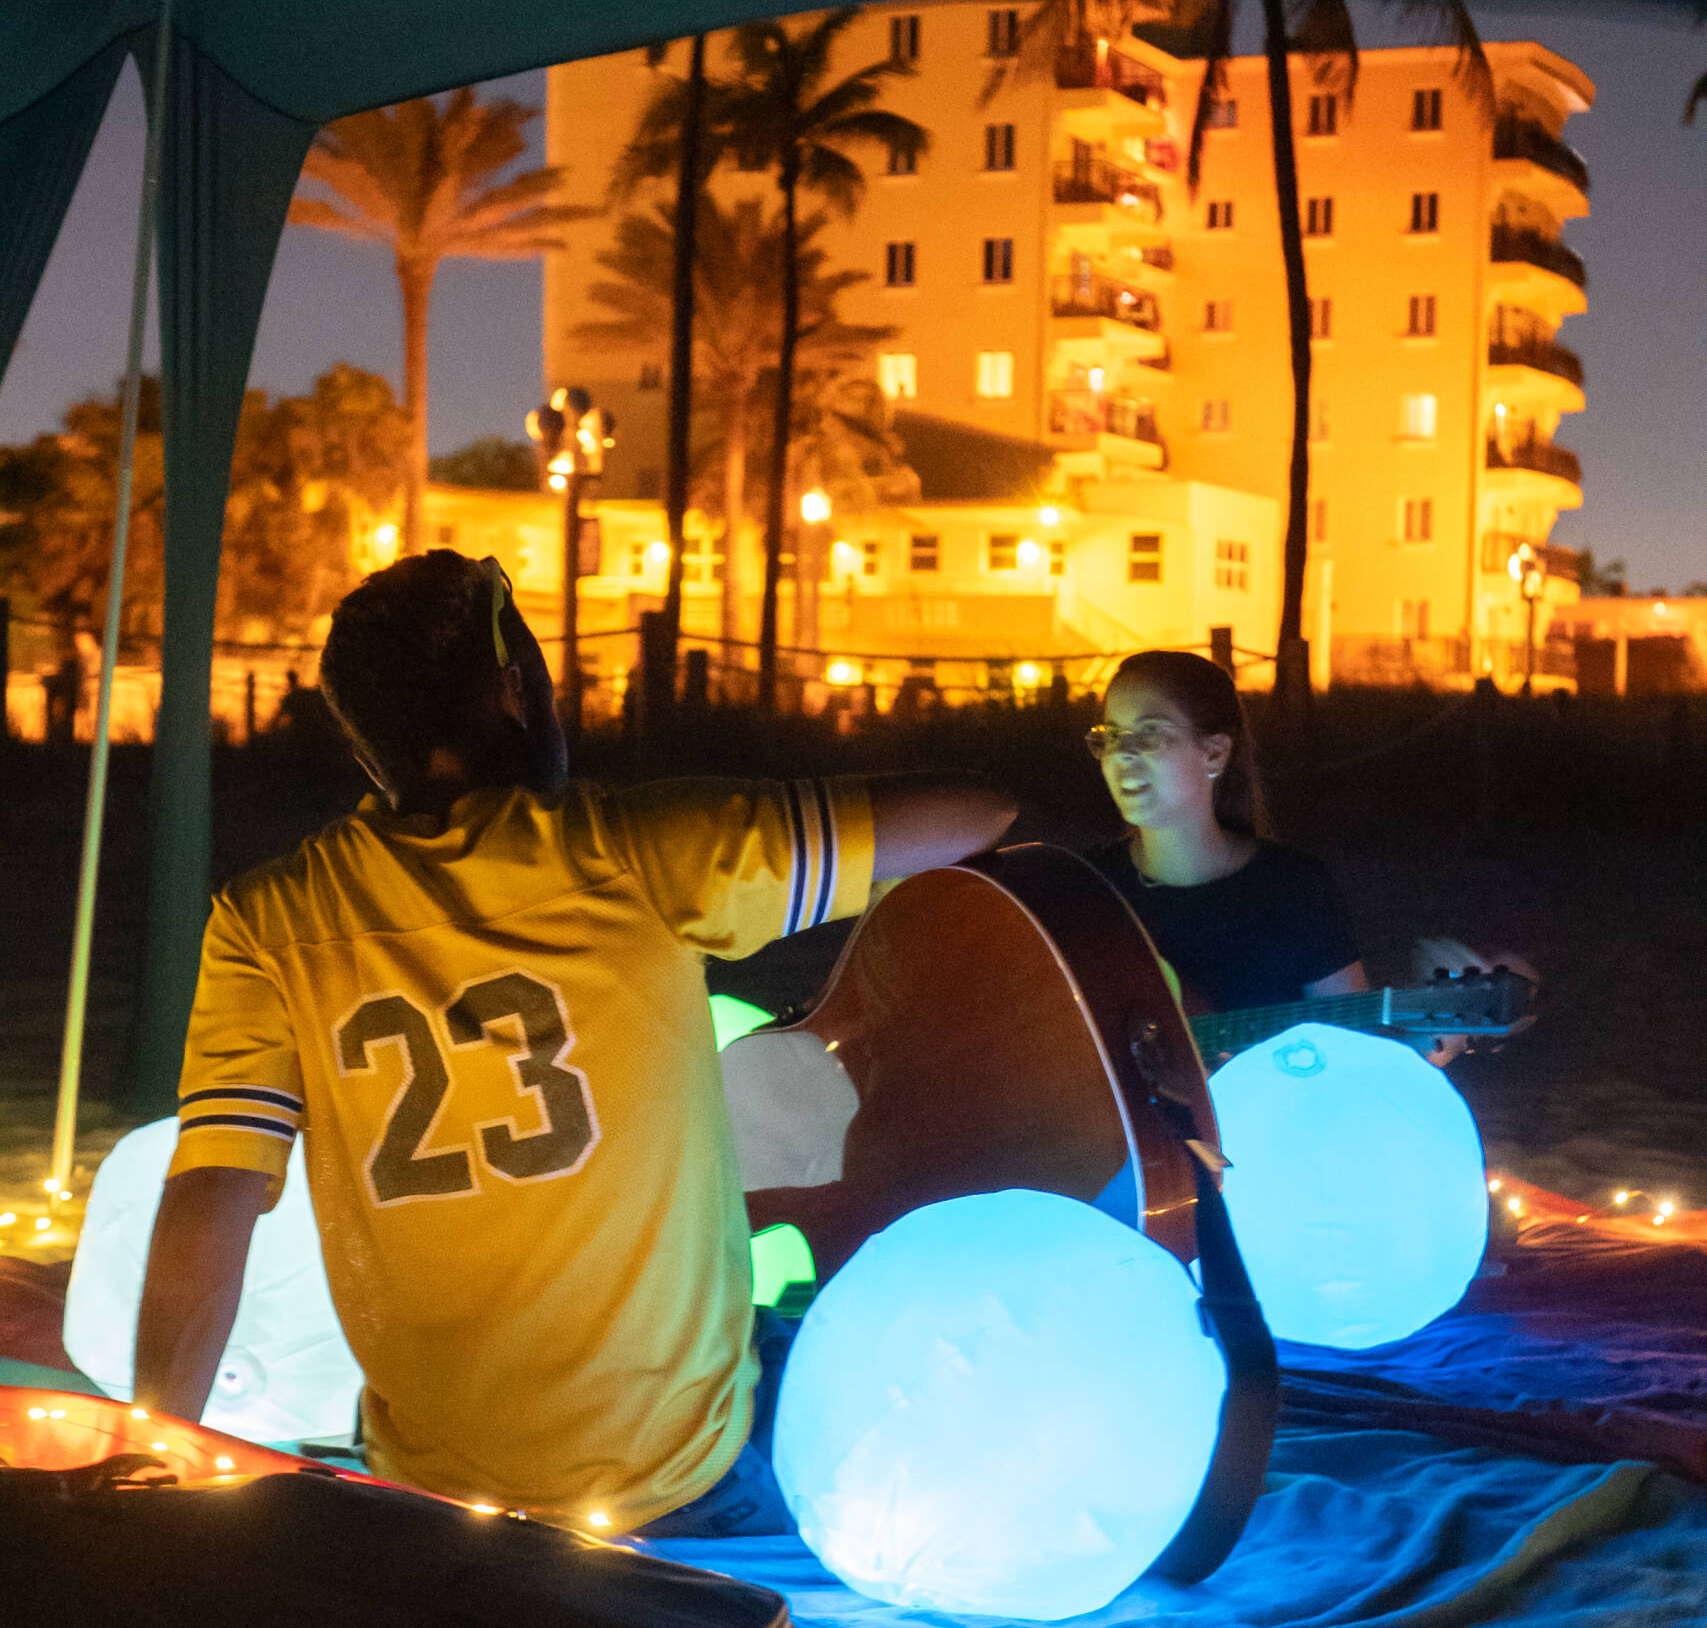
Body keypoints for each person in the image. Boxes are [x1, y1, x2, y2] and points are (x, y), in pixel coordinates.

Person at [134, 548, 1015, 1535]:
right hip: (674, 1477)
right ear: (516, 689)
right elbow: (975, 816)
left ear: (365, 742)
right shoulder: (635, 849)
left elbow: (212, 1191)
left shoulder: (268, 921)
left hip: (432, 1492)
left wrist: (153, 1444)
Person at [1082, 649, 1366, 1021]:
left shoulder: (1293, 889)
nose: (1122, 754)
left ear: (1215, 754)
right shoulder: (1084, 890)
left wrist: (1435, 1043)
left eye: (1150, 734)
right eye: (1113, 734)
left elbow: (1353, 1045)